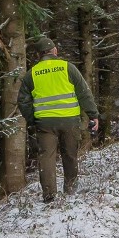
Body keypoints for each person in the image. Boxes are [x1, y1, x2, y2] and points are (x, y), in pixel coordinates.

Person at [18, 37, 99, 203]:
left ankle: (49, 196)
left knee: (46, 158)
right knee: (70, 155)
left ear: (39, 54)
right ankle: (71, 189)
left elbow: (23, 102)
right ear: (54, 51)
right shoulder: (67, 68)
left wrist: (33, 119)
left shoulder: (31, 74)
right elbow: (84, 93)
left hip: (45, 124)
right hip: (69, 121)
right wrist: (93, 114)